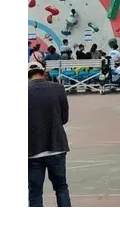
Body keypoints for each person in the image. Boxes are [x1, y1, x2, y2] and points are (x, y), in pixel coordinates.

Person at [28, 61, 71, 207]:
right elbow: (64, 119)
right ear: (43, 72)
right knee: (61, 187)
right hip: (57, 145)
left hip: (32, 149)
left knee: (35, 191)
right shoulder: (58, 88)